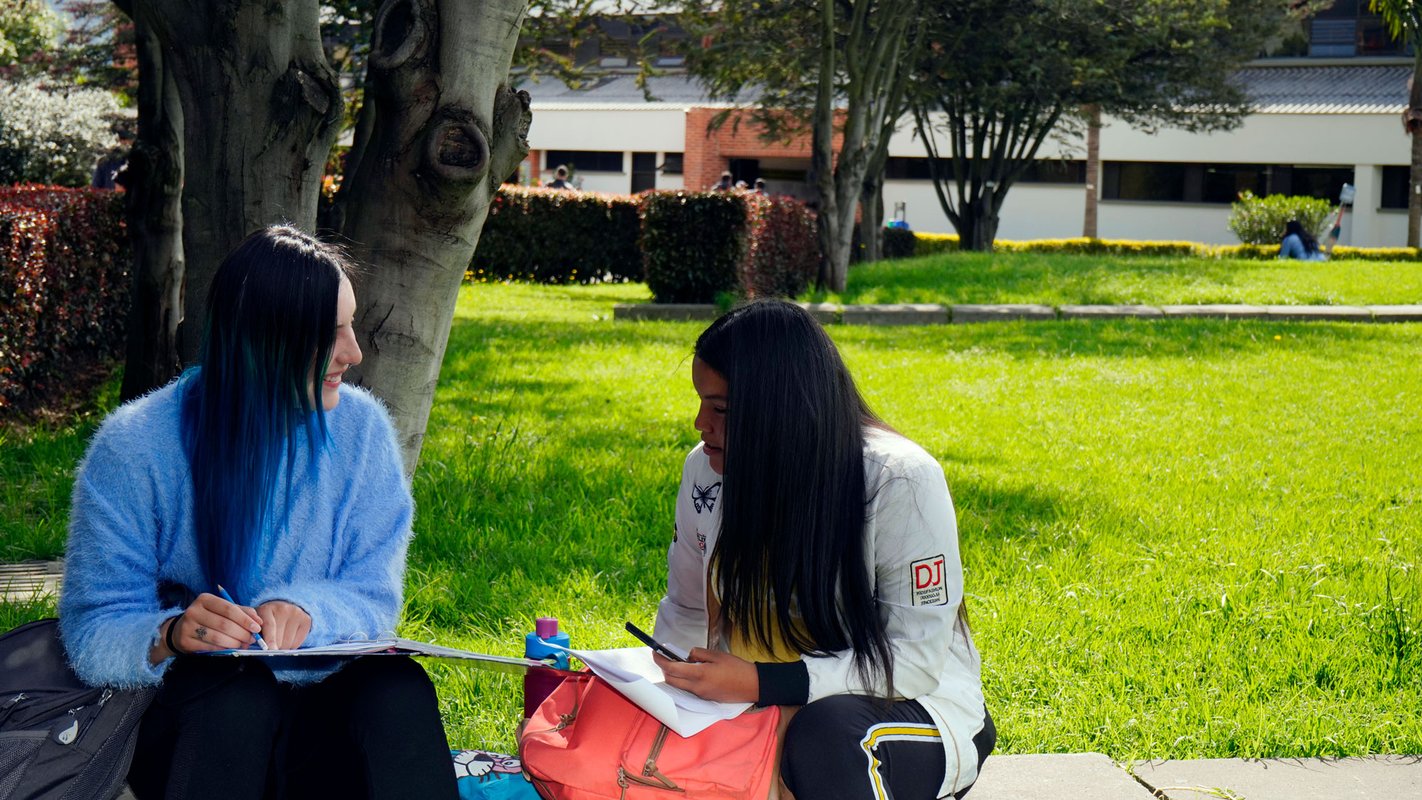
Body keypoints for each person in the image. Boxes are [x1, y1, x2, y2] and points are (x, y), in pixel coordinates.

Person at [59, 225, 458, 800]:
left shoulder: (362, 430)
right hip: (199, 725)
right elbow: (92, 629)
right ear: (262, 341)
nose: (354, 353)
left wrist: (305, 609)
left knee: (397, 688)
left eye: (351, 325)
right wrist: (171, 634)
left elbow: (373, 593)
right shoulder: (136, 446)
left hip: (320, 718)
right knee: (239, 695)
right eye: (330, 333)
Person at [653, 300, 995, 800]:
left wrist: (762, 683)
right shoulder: (705, 471)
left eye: (722, 409)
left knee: (825, 735)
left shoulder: (899, 479)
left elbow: (915, 661)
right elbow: (684, 609)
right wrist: (670, 689)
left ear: (781, 410)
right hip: (756, 704)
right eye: (701, 401)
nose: (700, 423)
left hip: (903, 709)